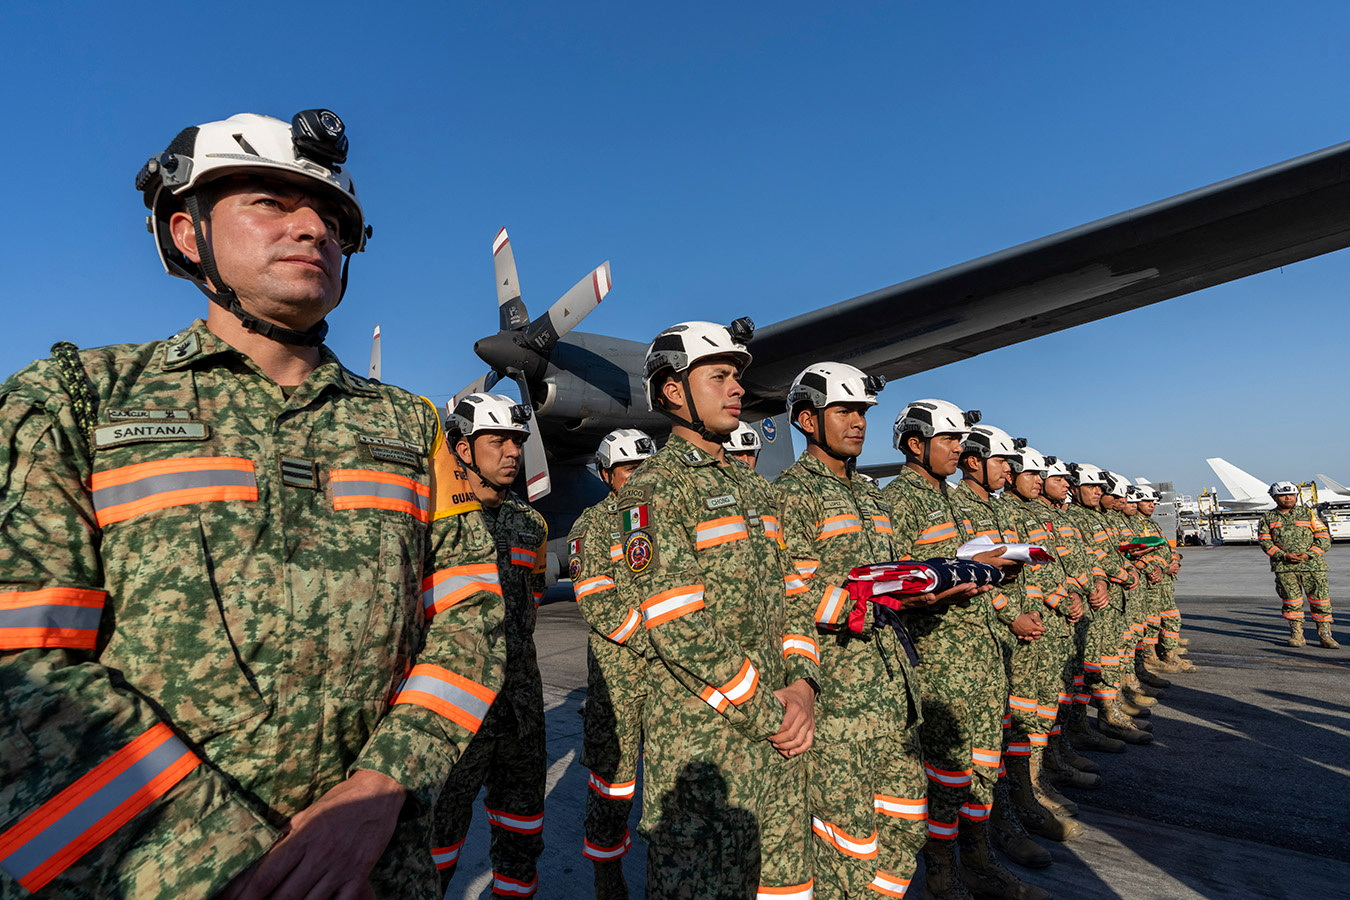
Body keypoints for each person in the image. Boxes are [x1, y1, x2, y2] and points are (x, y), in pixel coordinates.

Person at [0, 110, 505, 899]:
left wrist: (381, 788)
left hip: (373, 867)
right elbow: (20, 665)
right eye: (270, 202)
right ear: (188, 231)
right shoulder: (75, 400)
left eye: (334, 217)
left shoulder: (409, 425)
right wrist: (225, 864)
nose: (313, 228)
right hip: (134, 872)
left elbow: (471, 611)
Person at [613, 320, 817, 898]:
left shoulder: (758, 491)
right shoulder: (653, 491)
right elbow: (676, 623)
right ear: (674, 391)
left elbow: (796, 593)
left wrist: (802, 686)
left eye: (737, 378)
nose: (737, 389)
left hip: (783, 742)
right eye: (720, 375)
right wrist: (769, 711)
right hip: (710, 756)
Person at [772, 363, 929, 899]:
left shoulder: (871, 492)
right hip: (838, 704)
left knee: (907, 825)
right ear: (807, 420)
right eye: (844, 410)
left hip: (892, 694)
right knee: (847, 844)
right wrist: (868, 603)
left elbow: (892, 570)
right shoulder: (789, 496)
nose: (858, 422)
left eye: (862, 411)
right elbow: (787, 590)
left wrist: (928, 586)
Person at [880, 400, 1037, 900]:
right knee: (947, 777)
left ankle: (979, 859)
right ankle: (945, 878)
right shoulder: (898, 502)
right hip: (941, 665)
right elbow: (890, 588)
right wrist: (942, 591)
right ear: (915, 445)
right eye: (948, 441)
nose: (957, 450)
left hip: (982, 655)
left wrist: (994, 575)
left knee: (983, 769)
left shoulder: (954, 500)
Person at [433, 393, 549, 898]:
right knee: (435, 842)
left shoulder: (531, 524)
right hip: (454, 708)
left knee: (523, 833)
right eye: (497, 440)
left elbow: (535, 597)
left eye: (517, 442)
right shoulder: (434, 521)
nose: (512, 452)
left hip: (521, 709)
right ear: (461, 449)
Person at [567, 428, 657, 898]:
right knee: (613, 783)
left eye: (644, 467)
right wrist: (659, 641)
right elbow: (597, 602)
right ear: (606, 474)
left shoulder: (665, 518)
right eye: (627, 469)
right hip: (620, 677)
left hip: (670, 675)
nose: (637, 477)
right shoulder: (593, 524)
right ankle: (608, 874)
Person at [1257, 482, 1337, 649]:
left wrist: (1310, 554)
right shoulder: (1267, 518)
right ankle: (1297, 634)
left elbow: (1323, 538)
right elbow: (1265, 542)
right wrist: (1283, 555)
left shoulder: (1308, 514)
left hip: (1313, 567)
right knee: (1291, 602)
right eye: (1283, 495)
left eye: (1292, 495)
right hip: (1285, 568)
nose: (1288, 498)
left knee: (1321, 601)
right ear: (1274, 497)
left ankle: (1325, 635)